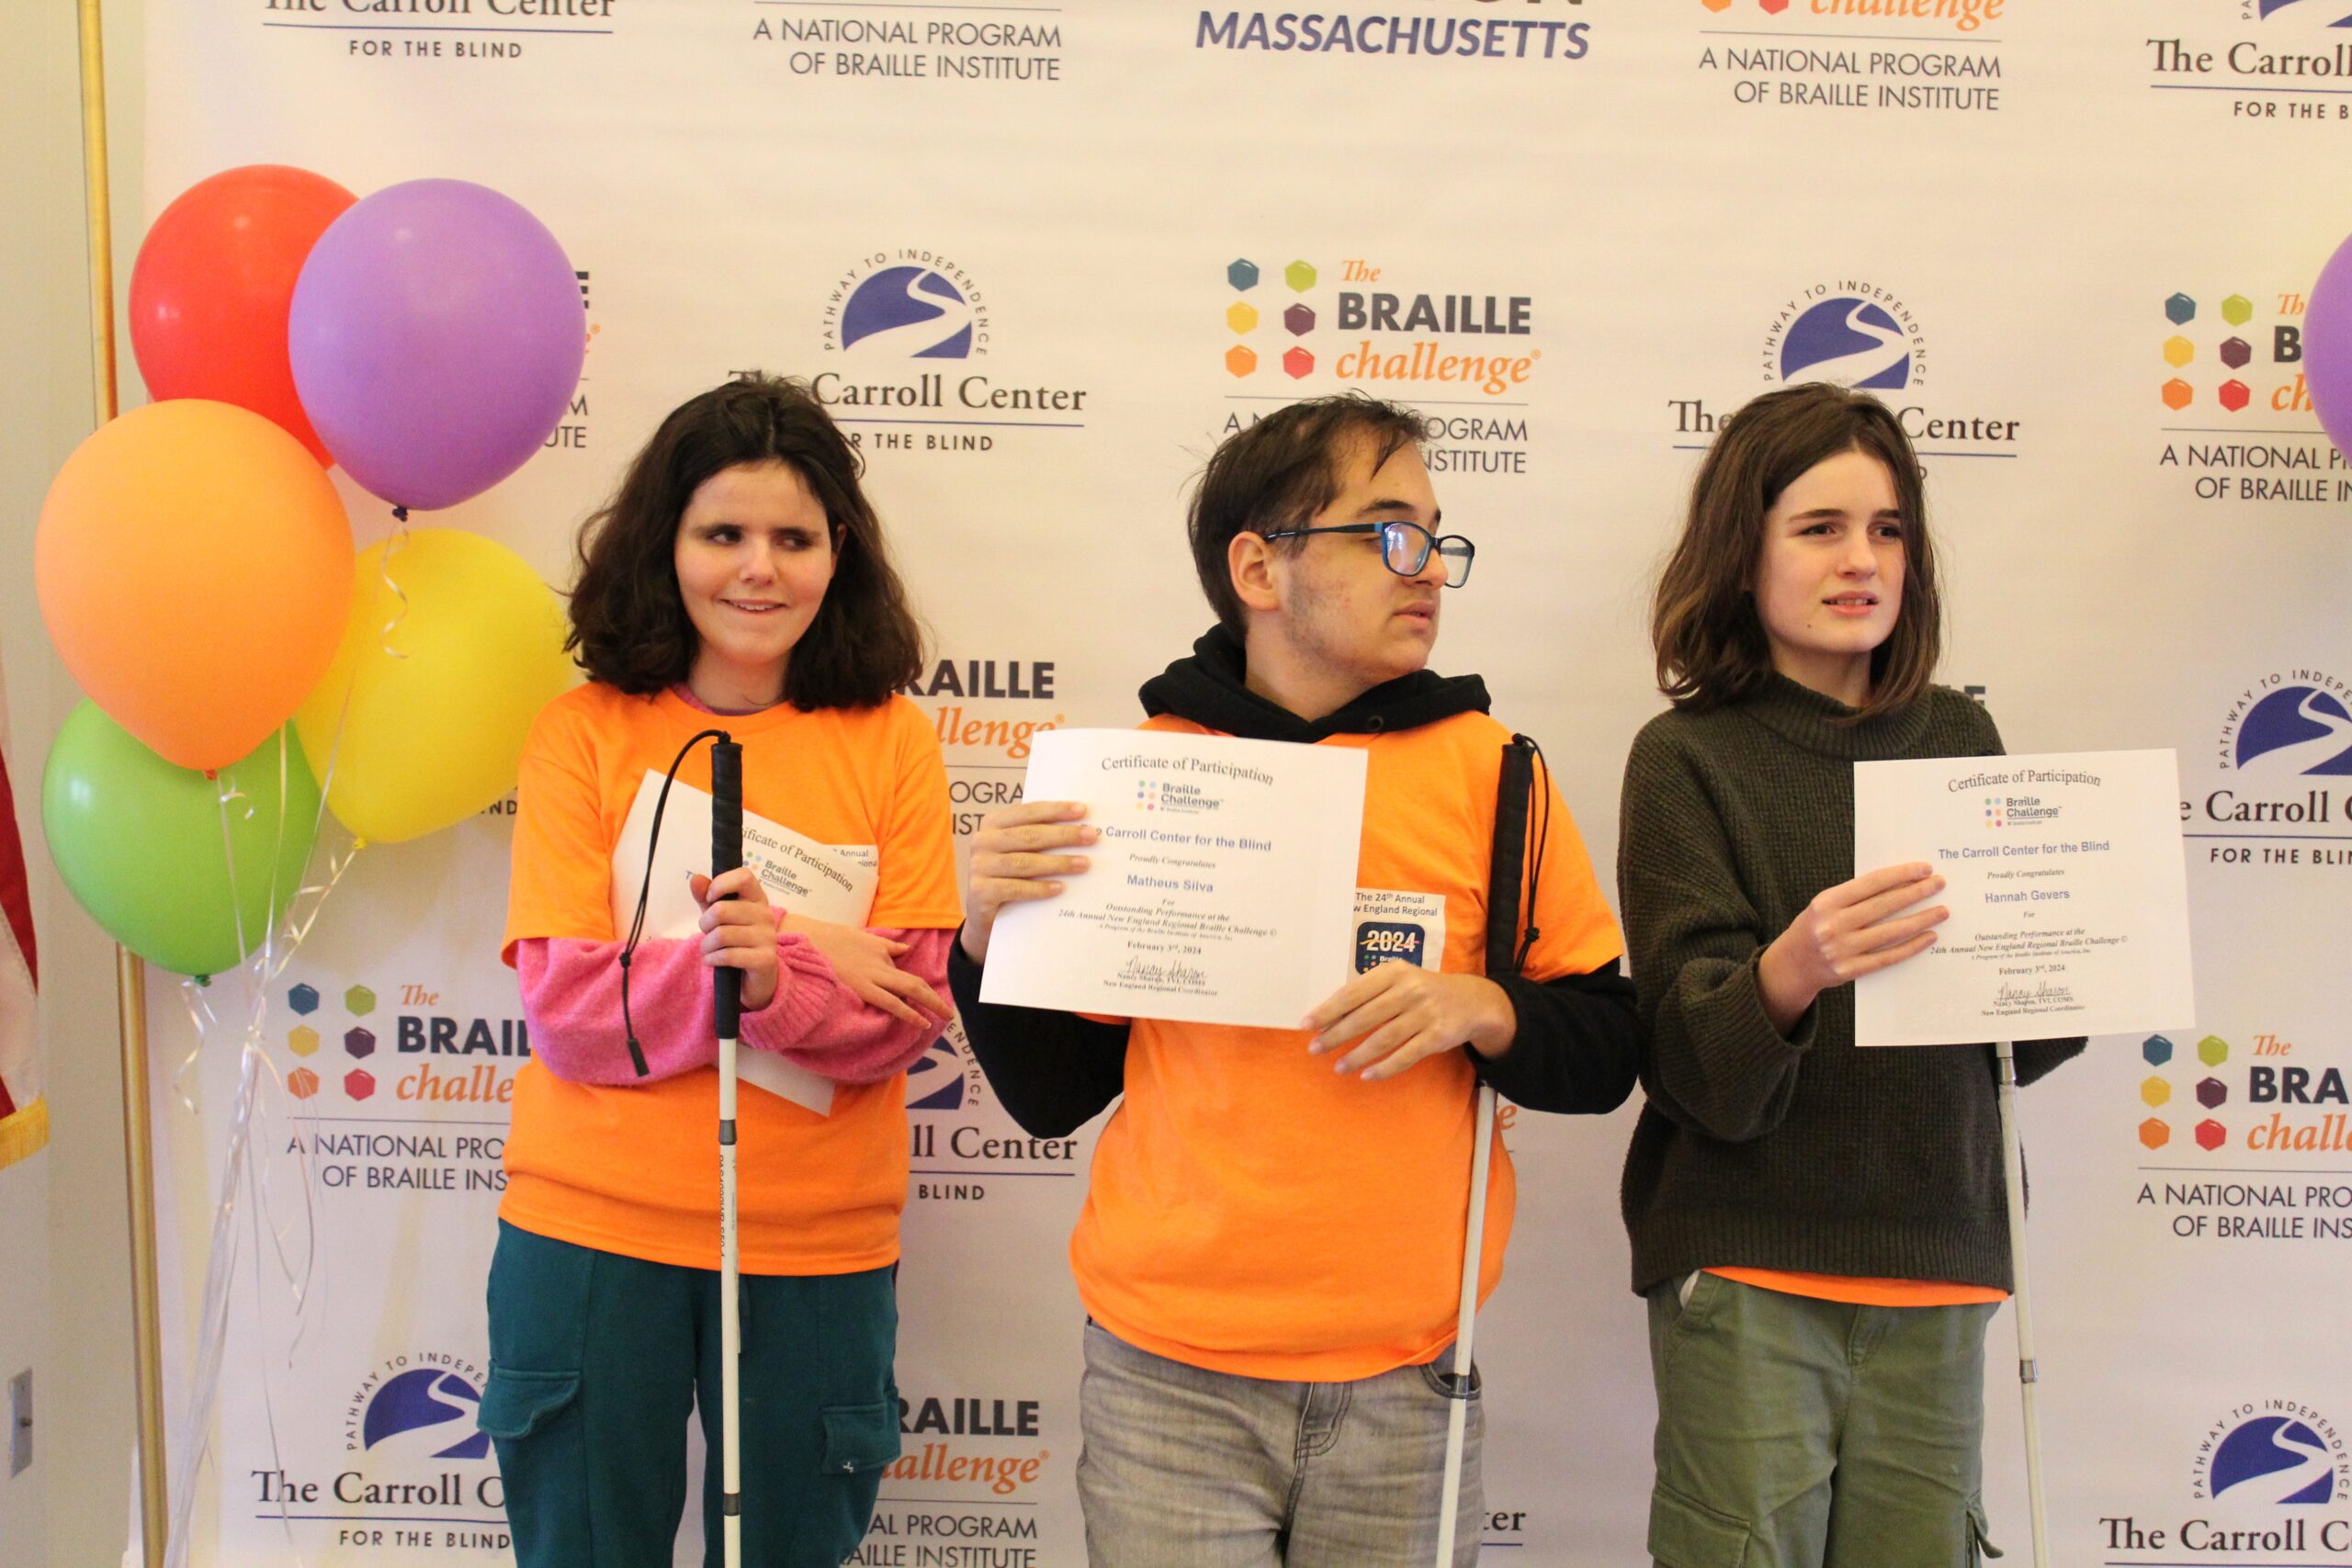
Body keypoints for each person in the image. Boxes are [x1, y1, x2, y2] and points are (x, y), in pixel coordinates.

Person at [946, 394, 1643, 1567]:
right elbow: (1054, 1094)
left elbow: (1607, 1052)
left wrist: (1489, 1009)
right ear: (1258, 569)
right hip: (1168, 1378)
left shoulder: (1496, 772)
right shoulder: (1132, 779)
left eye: (1433, 535)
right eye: (1383, 532)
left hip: (1412, 1376)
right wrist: (981, 939)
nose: (1423, 569)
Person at [483, 374, 961, 1567]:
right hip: (592, 1237)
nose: (759, 568)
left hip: (816, 1246)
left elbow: (902, 1015)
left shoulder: (895, 737)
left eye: (793, 536)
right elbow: (570, 1011)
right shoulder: (581, 731)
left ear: (838, 551)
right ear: (668, 543)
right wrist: (808, 954)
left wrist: (764, 968)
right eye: (724, 533)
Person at [1617, 380, 2085, 1568]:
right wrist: (1790, 969)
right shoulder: (1685, 757)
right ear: (1741, 552)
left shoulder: (1962, 737)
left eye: (1887, 528)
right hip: (1748, 1263)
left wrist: (2080, 954)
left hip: (1939, 1254)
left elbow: (2015, 1046)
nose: (1862, 558)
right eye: (1820, 527)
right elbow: (1683, 1063)